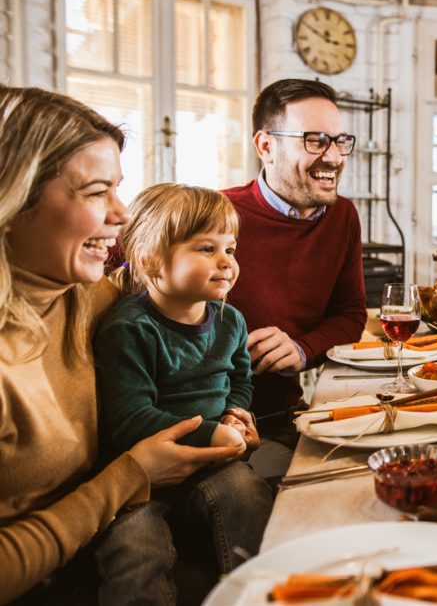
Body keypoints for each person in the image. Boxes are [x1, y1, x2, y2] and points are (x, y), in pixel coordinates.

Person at [0, 87, 240, 604]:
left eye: (119, 189)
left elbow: (171, 268)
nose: (122, 213)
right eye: (95, 192)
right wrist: (127, 479)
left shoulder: (81, 294)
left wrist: (237, 411)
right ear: (12, 201)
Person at [94, 183, 273, 596]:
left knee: (247, 495)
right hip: (139, 474)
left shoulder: (231, 321)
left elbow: (240, 380)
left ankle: (258, 594)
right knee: (135, 546)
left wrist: (234, 414)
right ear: (151, 259)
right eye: (206, 249)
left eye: (230, 249)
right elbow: (131, 419)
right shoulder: (130, 328)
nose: (226, 262)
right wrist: (211, 431)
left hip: (213, 460)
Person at [224, 79, 367, 465]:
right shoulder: (214, 214)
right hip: (215, 425)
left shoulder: (343, 216)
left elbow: (350, 315)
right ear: (266, 146)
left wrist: (302, 350)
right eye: (316, 140)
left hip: (281, 417)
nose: (335, 157)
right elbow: (124, 256)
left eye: (340, 141)